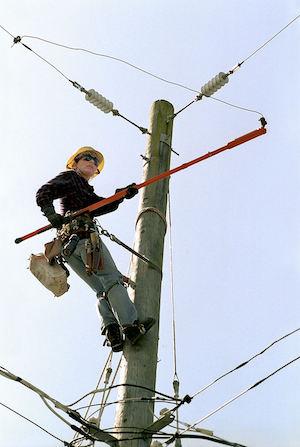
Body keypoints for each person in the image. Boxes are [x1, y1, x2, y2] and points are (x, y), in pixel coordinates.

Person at [36, 146, 155, 352]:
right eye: (87, 158)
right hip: (83, 240)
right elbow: (44, 192)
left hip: (68, 248)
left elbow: (99, 206)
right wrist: (50, 214)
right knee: (111, 280)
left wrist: (121, 196)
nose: (92, 163)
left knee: (101, 289)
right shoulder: (71, 178)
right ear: (75, 163)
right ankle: (131, 326)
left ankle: (112, 331)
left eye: (95, 163)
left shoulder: (82, 189)